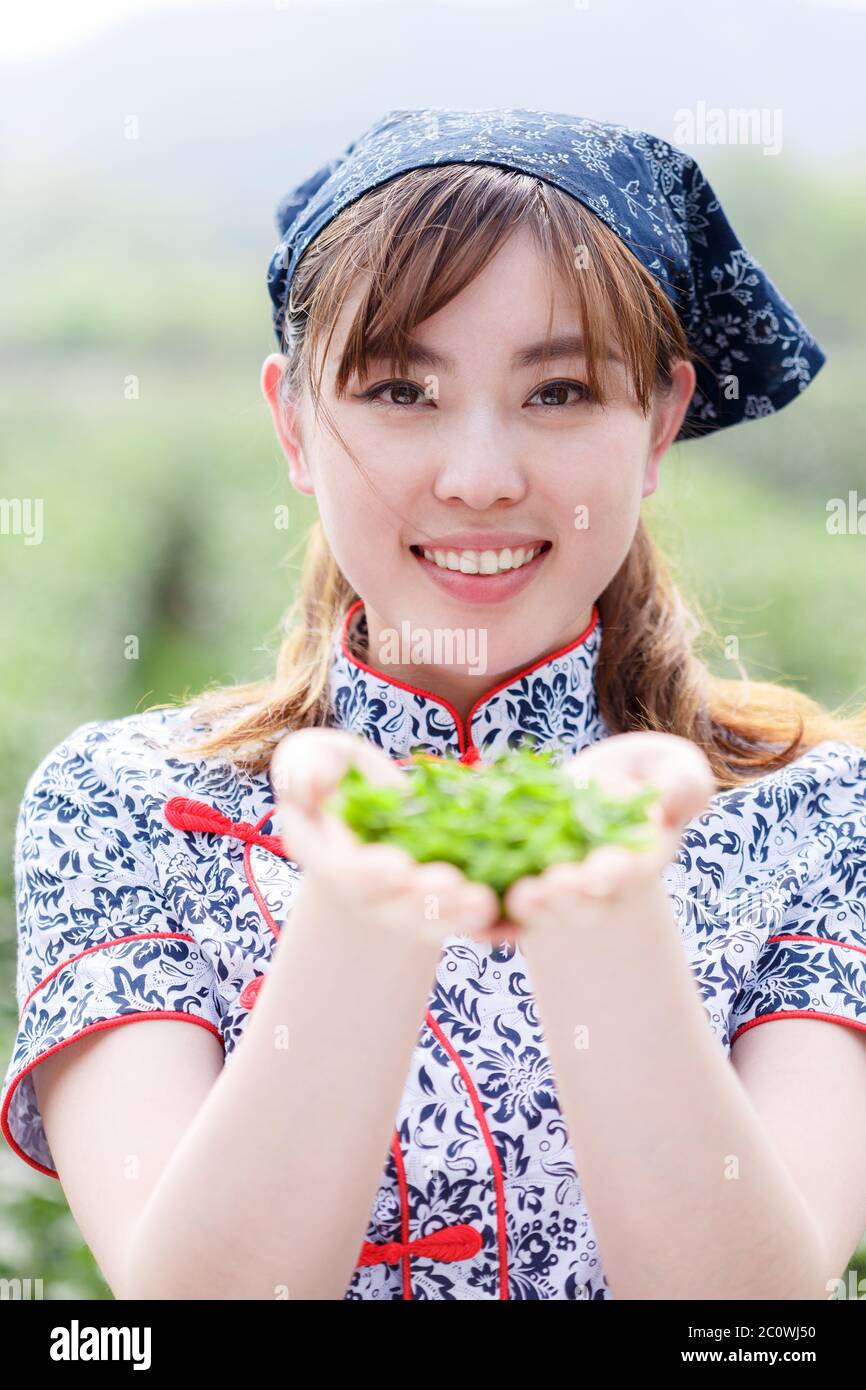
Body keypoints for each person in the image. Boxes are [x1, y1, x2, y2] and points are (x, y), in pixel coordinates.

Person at [3, 107, 866, 1302]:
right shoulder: (127, 809)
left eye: (558, 391)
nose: (477, 477)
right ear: (294, 423)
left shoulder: (812, 816)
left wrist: (602, 902)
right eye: (400, 388)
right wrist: (362, 906)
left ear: (659, 421)